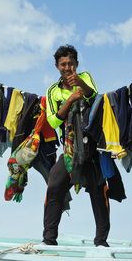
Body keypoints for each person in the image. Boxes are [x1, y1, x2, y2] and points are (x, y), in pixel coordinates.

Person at [43, 44, 110, 247]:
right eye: (63, 64)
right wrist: (70, 99)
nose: (67, 67)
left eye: (71, 63)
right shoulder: (52, 91)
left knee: (99, 192)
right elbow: (53, 121)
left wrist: (80, 84)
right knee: (54, 187)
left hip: (92, 147)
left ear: (77, 64)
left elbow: (94, 97)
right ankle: (48, 240)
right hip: (70, 150)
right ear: (57, 66)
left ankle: (101, 242)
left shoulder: (85, 77)